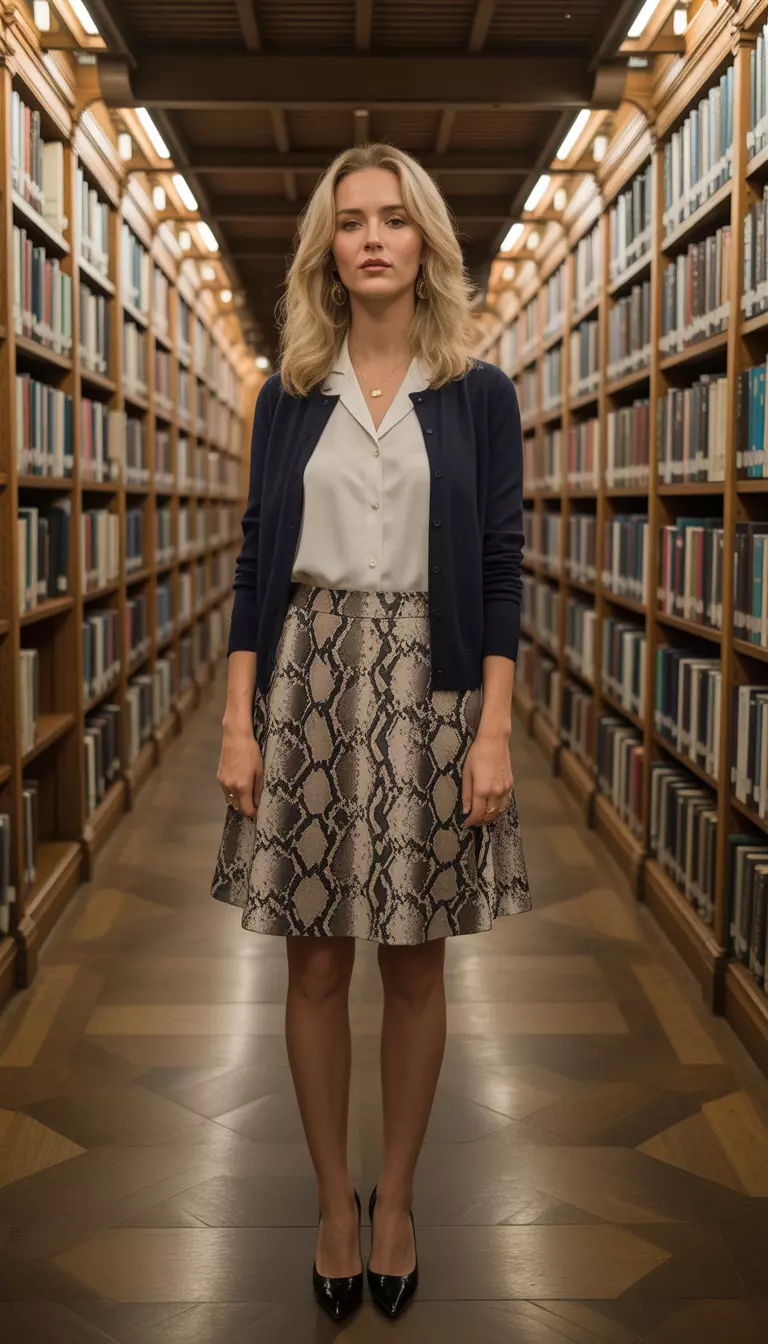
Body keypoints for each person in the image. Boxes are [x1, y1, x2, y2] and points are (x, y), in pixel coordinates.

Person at [211, 142, 531, 1322]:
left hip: (437, 687)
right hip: (308, 680)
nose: (376, 238)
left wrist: (492, 730)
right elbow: (254, 566)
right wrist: (238, 719)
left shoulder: (479, 394)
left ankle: (394, 1198)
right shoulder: (289, 395)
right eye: (353, 222)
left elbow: (500, 570)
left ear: (427, 242)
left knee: (414, 957)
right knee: (314, 958)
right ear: (328, 252)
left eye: (396, 218)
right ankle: (330, 1207)